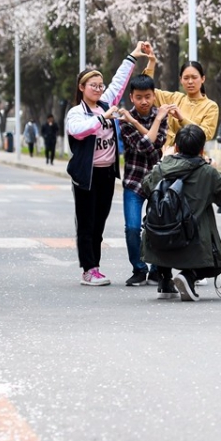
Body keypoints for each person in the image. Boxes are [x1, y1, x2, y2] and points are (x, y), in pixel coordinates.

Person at [66, 43, 141, 286]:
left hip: (107, 174)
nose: (99, 89)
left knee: (99, 223)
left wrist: (133, 56)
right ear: (82, 88)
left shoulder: (106, 103)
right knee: (86, 223)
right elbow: (77, 131)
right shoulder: (77, 112)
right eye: (93, 85)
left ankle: (95, 267)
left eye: (100, 85)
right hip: (86, 176)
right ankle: (89, 269)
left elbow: (119, 82)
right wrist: (102, 119)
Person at [141, 124, 221, 301]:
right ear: (202, 150)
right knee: (218, 262)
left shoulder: (163, 167)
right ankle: (189, 275)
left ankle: (164, 280)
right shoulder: (207, 172)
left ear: (176, 147)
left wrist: (163, 162)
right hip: (192, 243)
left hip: (158, 240)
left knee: (165, 226)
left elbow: (145, 186)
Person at [118, 75, 169, 287]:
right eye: (139, 97)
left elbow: (158, 142)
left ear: (153, 95)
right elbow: (146, 147)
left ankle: (156, 269)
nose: (144, 101)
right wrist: (146, 123)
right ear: (132, 97)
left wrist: (154, 121)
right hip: (134, 181)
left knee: (156, 226)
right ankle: (139, 269)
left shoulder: (161, 115)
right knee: (132, 227)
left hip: (157, 181)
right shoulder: (124, 120)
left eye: (148, 96)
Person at [142, 49, 219, 147]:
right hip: (167, 154)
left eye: (194, 77)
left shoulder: (211, 106)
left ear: (203, 79)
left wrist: (182, 119)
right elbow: (146, 90)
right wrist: (152, 62)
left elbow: (206, 134)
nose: (190, 82)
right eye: (186, 78)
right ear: (181, 80)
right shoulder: (174, 98)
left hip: (193, 157)